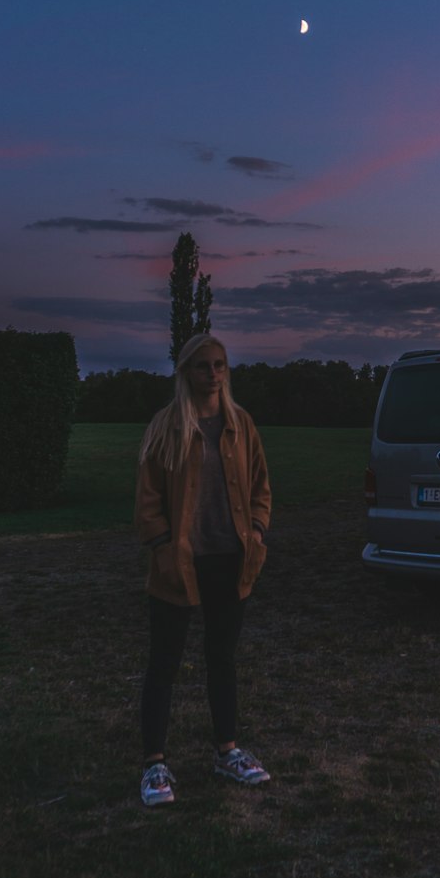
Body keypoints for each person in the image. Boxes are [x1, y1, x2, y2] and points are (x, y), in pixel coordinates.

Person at [134, 332, 272, 807]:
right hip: (180, 565)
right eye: (202, 366)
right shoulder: (166, 426)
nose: (212, 374)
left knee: (222, 660)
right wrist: (164, 548)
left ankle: (227, 752)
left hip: (231, 562)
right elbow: (148, 500)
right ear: (186, 373)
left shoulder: (241, 424)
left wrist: (255, 530)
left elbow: (261, 486)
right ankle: (154, 765)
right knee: (164, 664)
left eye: (219, 365)